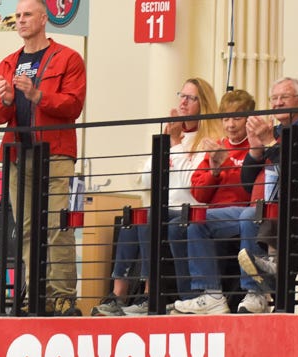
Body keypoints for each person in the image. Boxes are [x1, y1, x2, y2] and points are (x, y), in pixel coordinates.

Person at [0, 0, 86, 317]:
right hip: (18, 155)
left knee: (58, 226)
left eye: (27, 14)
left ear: (44, 19)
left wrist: (37, 94)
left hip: (55, 153)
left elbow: (73, 106)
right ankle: (37, 295)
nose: (20, 20)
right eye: (17, 16)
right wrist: (5, 101)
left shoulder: (68, 58)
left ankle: (63, 298)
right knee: (27, 229)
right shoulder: (7, 63)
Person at [96, 78, 223, 316]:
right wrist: (168, 148)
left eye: (190, 98)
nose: (183, 102)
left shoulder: (209, 139)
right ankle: (118, 296)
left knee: (149, 216)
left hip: (189, 208)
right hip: (166, 206)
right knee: (132, 217)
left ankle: (149, 294)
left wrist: (174, 145)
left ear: (203, 104)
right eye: (181, 96)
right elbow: (146, 179)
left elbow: (190, 182)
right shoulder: (175, 136)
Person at [236, 77, 298, 285]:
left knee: (252, 214)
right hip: (265, 205)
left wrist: (271, 144)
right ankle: (205, 292)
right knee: (193, 224)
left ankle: (262, 285)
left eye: (284, 97)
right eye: (274, 98)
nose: (278, 103)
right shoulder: (272, 132)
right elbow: (247, 184)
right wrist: (255, 150)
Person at [172, 88, 257, 315]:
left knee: (197, 221)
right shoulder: (217, 146)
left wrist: (225, 163)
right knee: (185, 222)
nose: (230, 124)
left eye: (237, 118)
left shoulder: (255, 147)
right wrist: (215, 169)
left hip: (244, 212)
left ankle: (211, 294)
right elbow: (199, 192)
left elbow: (250, 189)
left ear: (248, 120)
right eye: (226, 118)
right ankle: (205, 296)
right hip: (216, 215)